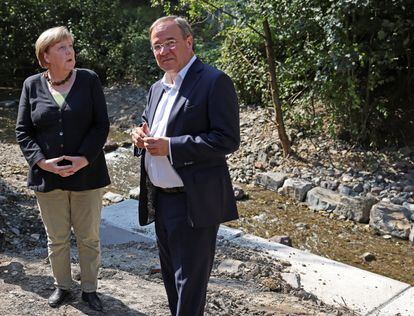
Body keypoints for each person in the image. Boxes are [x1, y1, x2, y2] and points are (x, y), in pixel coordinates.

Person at [131, 16, 240, 315]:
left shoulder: (214, 81)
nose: (164, 51)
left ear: (188, 42)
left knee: (190, 284)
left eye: (170, 43)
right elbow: (146, 122)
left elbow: (227, 139)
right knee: (172, 278)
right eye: (157, 46)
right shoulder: (157, 88)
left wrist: (172, 146)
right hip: (161, 199)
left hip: (194, 200)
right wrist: (138, 135)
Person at [15, 26, 110, 311]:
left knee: (88, 237)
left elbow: (101, 124)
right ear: (46, 56)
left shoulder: (89, 80)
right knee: (56, 239)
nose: (70, 52)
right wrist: (42, 162)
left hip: (88, 174)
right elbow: (23, 130)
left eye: (70, 46)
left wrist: (84, 158)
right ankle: (63, 287)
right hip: (47, 176)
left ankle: (90, 290)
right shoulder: (31, 84)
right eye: (62, 48)